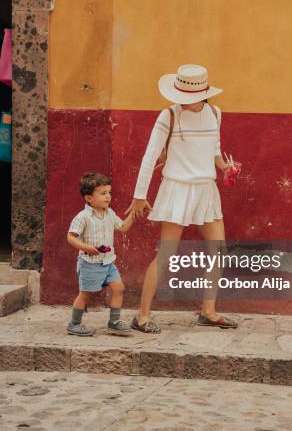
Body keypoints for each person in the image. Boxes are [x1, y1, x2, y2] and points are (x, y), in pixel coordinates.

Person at [126, 64, 241, 333]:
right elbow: (149, 156)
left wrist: (226, 168)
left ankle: (208, 311)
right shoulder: (168, 115)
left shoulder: (215, 113)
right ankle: (141, 317)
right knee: (166, 254)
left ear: (203, 94)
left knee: (219, 251)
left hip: (206, 190)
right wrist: (139, 196)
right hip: (177, 189)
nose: (183, 102)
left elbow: (214, 150)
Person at [67, 171, 136, 336]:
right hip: (90, 263)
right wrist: (86, 247)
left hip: (108, 262)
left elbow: (123, 228)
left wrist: (134, 213)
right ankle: (74, 324)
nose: (108, 197)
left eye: (109, 193)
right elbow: (70, 237)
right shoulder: (83, 217)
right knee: (85, 295)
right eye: (103, 193)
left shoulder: (110, 214)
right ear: (89, 198)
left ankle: (114, 322)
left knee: (118, 288)